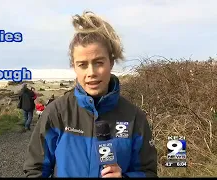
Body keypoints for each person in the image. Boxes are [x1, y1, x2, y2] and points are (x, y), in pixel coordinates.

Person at [23, 11, 157, 178]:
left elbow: (148, 173)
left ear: (111, 62)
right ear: (74, 66)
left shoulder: (134, 117)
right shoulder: (56, 113)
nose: (91, 72)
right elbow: (34, 170)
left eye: (99, 63)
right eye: (82, 64)